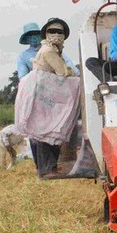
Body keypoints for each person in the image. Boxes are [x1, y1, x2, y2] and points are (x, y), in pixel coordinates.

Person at [31, 17, 78, 177]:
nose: (56, 34)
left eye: (60, 32)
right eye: (52, 31)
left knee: (53, 130)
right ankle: (47, 169)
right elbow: (62, 72)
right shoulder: (48, 51)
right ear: (46, 34)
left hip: (49, 92)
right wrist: (74, 74)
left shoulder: (56, 50)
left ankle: (51, 167)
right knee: (46, 132)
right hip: (44, 94)